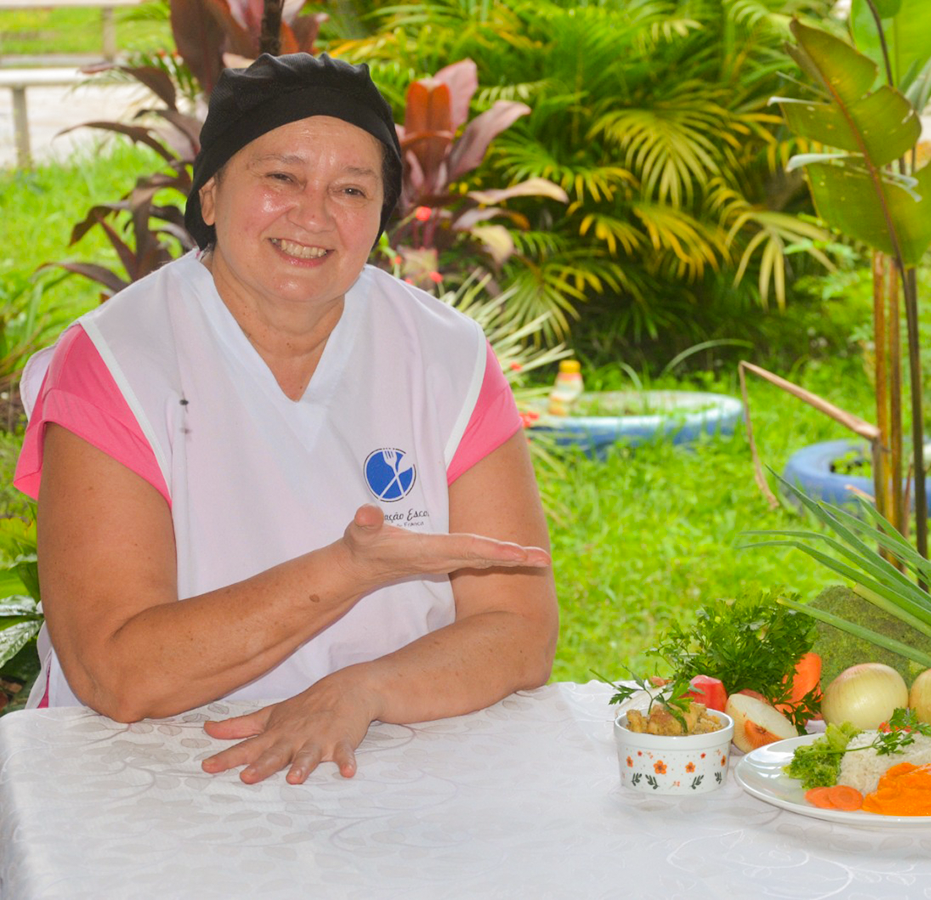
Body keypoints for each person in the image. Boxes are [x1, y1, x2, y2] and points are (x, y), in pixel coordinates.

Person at [13, 53, 559, 785]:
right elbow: (118, 675)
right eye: (281, 177)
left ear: (379, 218)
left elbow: (518, 627)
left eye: (351, 189)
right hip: (157, 772)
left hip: (388, 752)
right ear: (209, 194)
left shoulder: (444, 356)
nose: (313, 214)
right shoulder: (117, 360)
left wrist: (362, 689)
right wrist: (348, 570)